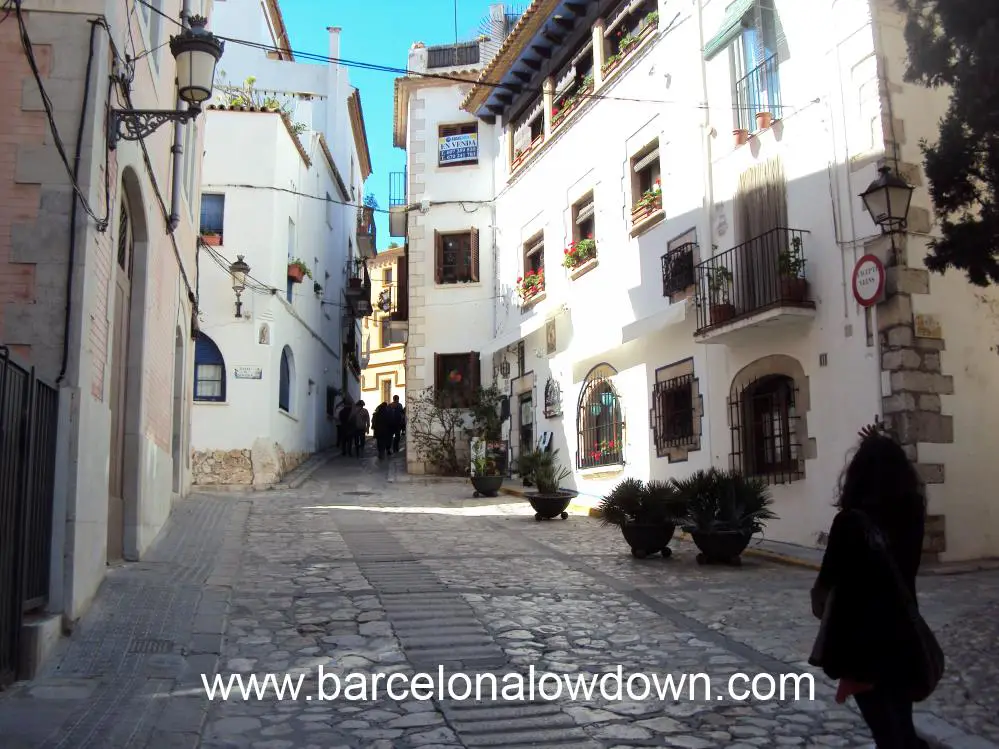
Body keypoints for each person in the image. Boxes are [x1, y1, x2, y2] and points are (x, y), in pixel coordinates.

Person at [810, 417, 931, 748]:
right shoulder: (912, 515)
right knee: (901, 726)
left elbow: (823, 591)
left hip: (863, 647)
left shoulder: (849, 523)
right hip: (903, 635)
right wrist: (885, 442)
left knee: (886, 732)